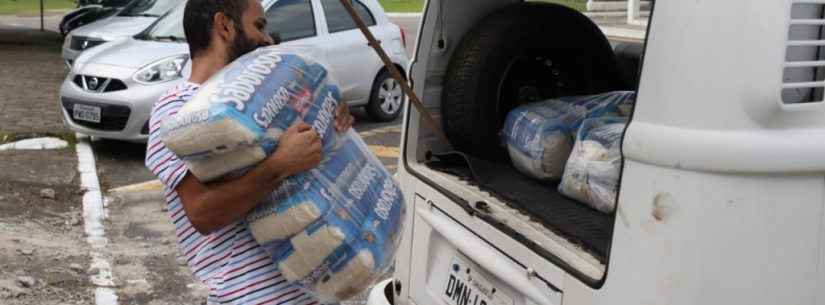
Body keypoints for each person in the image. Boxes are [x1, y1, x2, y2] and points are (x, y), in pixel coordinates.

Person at [144, 0, 354, 304]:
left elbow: (311, 174)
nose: (268, 39)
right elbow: (203, 213)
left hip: (310, 290)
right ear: (225, 26)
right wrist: (279, 165)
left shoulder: (265, 99)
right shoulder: (178, 110)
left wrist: (333, 126)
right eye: (259, 26)